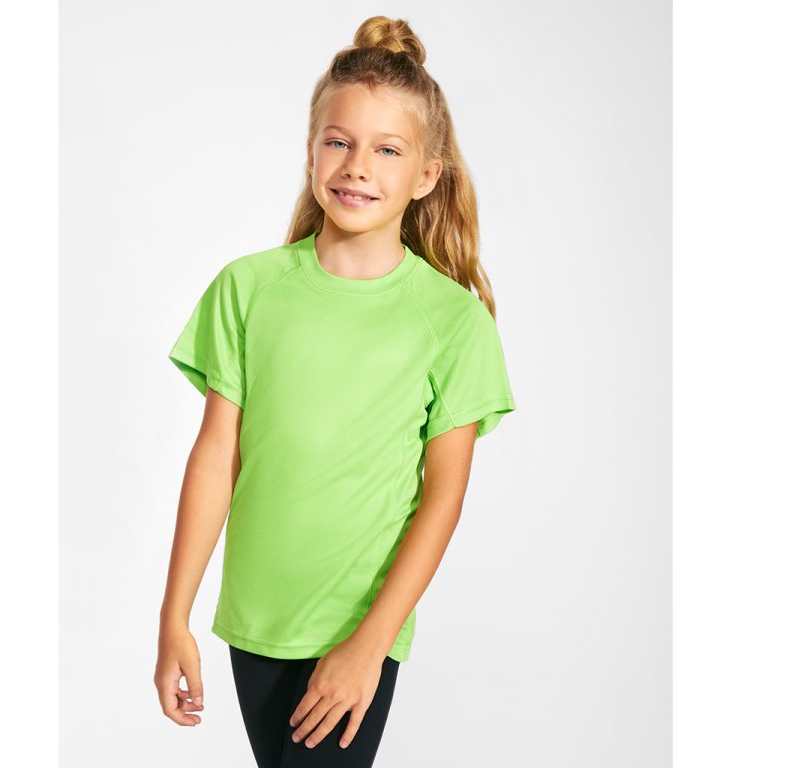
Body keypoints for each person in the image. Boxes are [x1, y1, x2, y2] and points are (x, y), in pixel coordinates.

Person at [154, 15, 516, 767]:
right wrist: (174, 616)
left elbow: (443, 497)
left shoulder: (452, 320)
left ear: (426, 175)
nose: (357, 167)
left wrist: (370, 645)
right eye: (339, 142)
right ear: (312, 149)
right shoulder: (248, 289)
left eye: (387, 150)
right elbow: (216, 457)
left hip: (358, 631)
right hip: (256, 620)